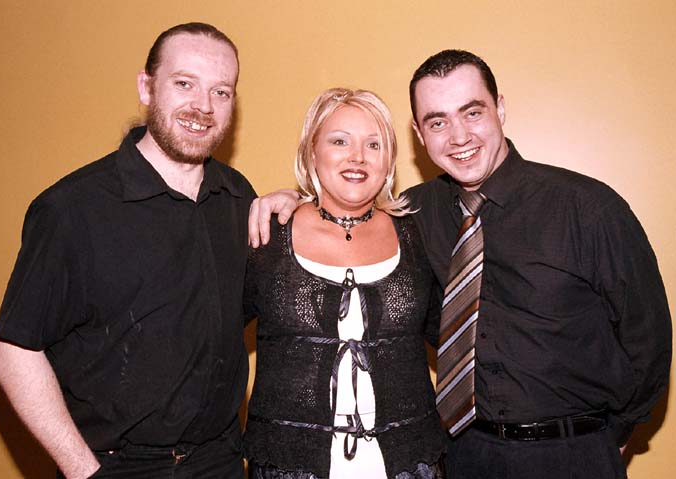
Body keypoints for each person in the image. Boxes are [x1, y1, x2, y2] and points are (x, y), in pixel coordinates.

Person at [248, 50, 671, 479]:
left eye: (472, 112)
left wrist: (607, 434)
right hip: (462, 456)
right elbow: (347, 208)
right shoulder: (414, 216)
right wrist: (293, 200)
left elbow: (648, 338)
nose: (458, 136)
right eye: (437, 121)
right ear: (419, 133)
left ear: (500, 108)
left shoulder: (587, 208)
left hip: (572, 453)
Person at [0, 23, 254, 479]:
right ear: (146, 87)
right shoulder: (72, 209)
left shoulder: (238, 199)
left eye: (221, 92)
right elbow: (13, 350)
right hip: (116, 468)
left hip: (221, 462)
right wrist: (83, 471)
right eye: (184, 83)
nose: (203, 107)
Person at [243, 88, 446, 478]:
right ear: (311, 151)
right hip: (292, 467)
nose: (358, 157)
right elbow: (210, 336)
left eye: (374, 144)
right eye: (340, 141)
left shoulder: (417, 233)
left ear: (389, 161)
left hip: (408, 464)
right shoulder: (266, 236)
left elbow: (451, 332)